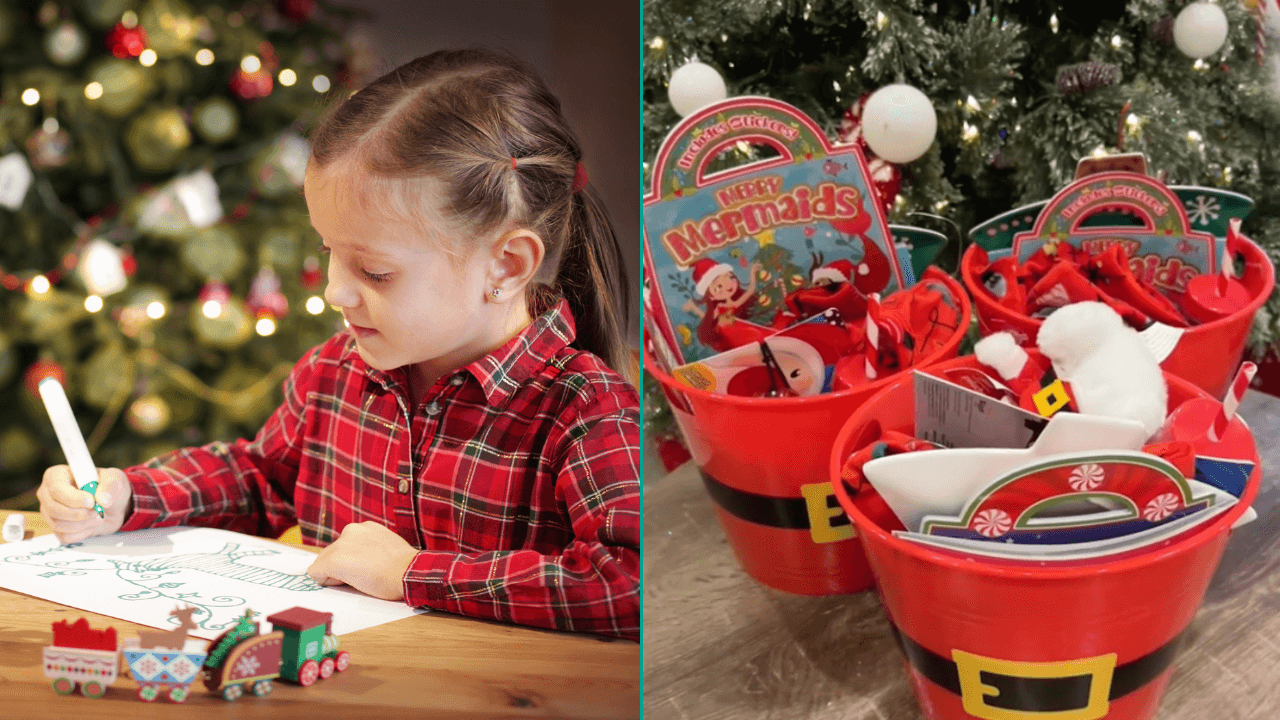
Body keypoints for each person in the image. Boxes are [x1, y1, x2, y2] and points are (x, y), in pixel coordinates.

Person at [35, 49, 640, 641]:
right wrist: (128, 495)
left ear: (506, 266)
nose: (333, 293)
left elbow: (630, 584)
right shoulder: (334, 371)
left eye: (374, 273)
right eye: (329, 255)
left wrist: (410, 575)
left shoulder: (584, 409)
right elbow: (261, 480)